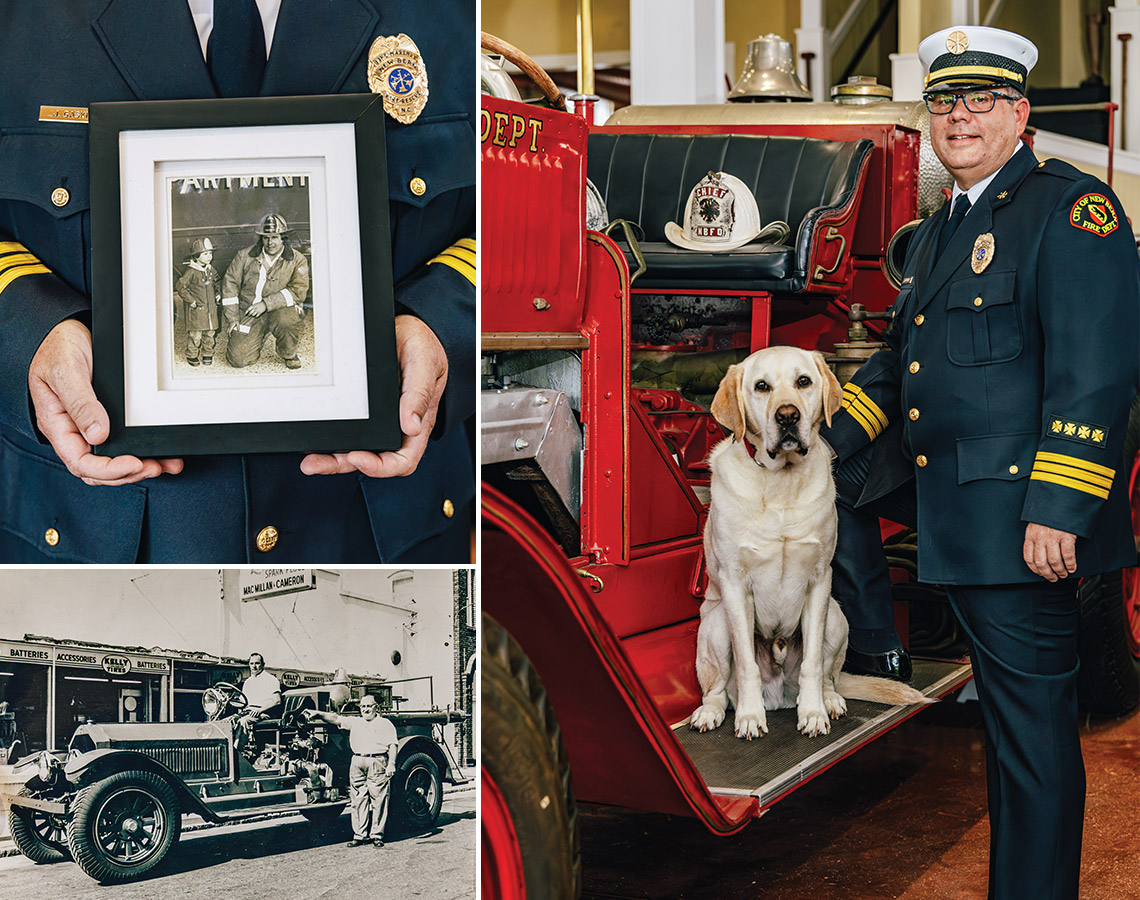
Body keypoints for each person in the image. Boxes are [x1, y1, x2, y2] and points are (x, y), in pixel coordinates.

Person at [820, 25, 1139, 900]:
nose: (960, 116)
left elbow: (1096, 371)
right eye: (945, 101)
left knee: (1033, 746)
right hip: (959, 521)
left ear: (1020, 113)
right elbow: (894, 368)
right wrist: (818, 445)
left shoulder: (1071, 211)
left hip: (1022, 528)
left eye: (983, 99)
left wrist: (1060, 509)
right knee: (1007, 742)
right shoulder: (936, 234)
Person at [0, 1, 475, 562]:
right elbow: (229, 282)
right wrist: (30, 335)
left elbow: (514, 225)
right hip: (97, 538)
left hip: (373, 533)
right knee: (239, 353)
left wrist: (442, 322)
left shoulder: (452, 14)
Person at [305, 694, 398, 848]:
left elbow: (392, 745)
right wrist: (319, 713)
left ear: (376, 707)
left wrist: (391, 764)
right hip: (357, 763)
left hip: (377, 761)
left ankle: (376, 835)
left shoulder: (384, 723)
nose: (366, 709)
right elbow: (335, 718)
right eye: (363, 707)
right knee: (357, 799)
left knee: (379, 800)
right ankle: (360, 835)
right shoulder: (356, 722)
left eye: (369, 706)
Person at [221, 214, 309, 370]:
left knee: (287, 321)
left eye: (274, 237)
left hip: (281, 310)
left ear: (283, 238)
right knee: (238, 359)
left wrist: (266, 304)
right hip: (250, 311)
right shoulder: (244, 256)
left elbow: (298, 291)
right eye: (266, 237)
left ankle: (288, 352)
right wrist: (232, 318)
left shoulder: (297, 259)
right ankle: (257, 334)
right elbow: (230, 285)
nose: (270, 242)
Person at [175, 237, 221, 366]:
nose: (209, 256)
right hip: (197, 310)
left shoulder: (211, 270)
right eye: (205, 254)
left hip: (210, 309)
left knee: (210, 333)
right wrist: (191, 301)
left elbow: (218, 282)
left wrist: (218, 294)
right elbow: (181, 287)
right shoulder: (191, 272)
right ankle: (192, 354)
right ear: (196, 256)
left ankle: (207, 353)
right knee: (196, 335)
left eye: (210, 253)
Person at [235, 651, 281, 754]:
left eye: (257, 663)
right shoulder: (247, 682)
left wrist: (259, 710)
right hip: (248, 712)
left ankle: (235, 753)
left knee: (244, 721)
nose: (254, 666)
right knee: (228, 721)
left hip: (264, 713)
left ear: (263, 665)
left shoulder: (271, 679)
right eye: (251, 663)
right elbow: (243, 702)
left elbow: (277, 700)